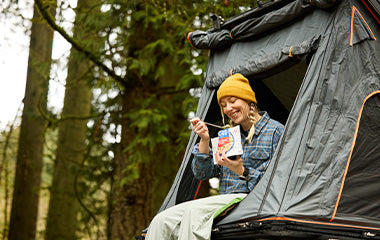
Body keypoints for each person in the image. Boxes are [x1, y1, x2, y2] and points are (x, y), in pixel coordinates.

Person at [145, 73, 284, 240]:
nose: (228, 109)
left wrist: (241, 170)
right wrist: (204, 140)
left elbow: (277, 184)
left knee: (193, 213)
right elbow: (202, 174)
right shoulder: (228, 135)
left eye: (233, 101)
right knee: (161, 221)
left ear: (249, 101)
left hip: (251, 200)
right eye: (223, 105)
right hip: (224, 201)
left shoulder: (276, 131)